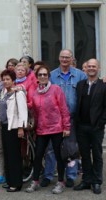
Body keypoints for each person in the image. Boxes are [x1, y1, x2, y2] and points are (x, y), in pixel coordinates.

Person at [42, 49, 87, 188]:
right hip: (53, 120)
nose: (65, 59)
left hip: (72, 118)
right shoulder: (52, 75)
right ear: (59, 58)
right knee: (50, 149)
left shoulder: (81, 75)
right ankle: (49, 175)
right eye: (62, 57)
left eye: (67, 57)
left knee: (71, 148)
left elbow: (88, 90)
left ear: (71, 59)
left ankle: (71, 176)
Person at [25, 65, 70, 194]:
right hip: (41, 129)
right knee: (38, 156)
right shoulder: (34, 93)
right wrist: (20, 95)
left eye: (45, 74)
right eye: (40, 75)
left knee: (58, 156)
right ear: (37, 77)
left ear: (49, 76)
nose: (43, 77)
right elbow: (32, 109)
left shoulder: (56, 90)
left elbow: (64, 109)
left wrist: (66, 127)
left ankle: (61, 181)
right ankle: (35, 181)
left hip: (56, 128)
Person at [74, 58, 106, 194]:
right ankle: (86, 180)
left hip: (96, 127)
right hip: (82, 126)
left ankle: (97, 181)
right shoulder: (80, 84)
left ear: (98, 69)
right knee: (85, 155)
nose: (91, 68)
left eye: (94, 66)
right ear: (85, 69)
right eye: (89, 66)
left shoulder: (104, 85)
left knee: (97, 155)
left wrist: (101, 123)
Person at [0, 69, 27, 192]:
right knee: (7, 155)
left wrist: (21, 127)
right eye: (4, 79)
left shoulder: (18, 93)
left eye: (8, 79)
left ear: (13, 80)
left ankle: (16, 183)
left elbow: (22, 111)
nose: (5, 81)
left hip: (14, 127)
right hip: (5, 127)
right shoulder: (5, 93)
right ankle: (10, 180)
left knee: (14, 156)